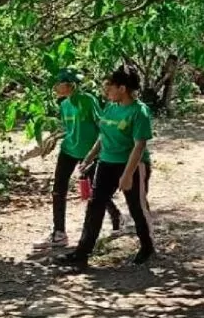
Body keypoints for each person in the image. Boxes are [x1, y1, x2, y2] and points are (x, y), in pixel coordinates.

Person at [56, 65, 156, 270]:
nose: (106, 91)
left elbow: (139, 146)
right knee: (95, 205)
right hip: (106, 162)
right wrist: (89, 158)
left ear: (122, 88)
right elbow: (102, 136)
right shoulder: (111, 107)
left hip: (132, 165)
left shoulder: (139, 111)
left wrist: (128, 175)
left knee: (137, 207)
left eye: (109, 87)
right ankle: (82, 252)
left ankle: (147, 246)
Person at [33, 68, 123, 250]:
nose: (56, 87)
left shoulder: (88, 100)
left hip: (88, 152)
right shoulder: (64, 104)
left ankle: (116, 217)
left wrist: (102, 150)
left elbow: (101, 125)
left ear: (69, 84)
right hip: (68, 150)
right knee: (58, 189)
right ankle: (59, 233)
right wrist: (55, 137)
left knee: (97, 191)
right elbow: (69, 128)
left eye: (59, 83)